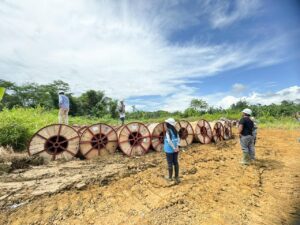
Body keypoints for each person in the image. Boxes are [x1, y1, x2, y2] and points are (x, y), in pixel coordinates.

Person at [164, 118, 180, 183]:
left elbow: (169, 141)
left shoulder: (168, 131)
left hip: (169, 150)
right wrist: (177, 147)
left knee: (170, 163)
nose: (165, 124)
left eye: (166, 123)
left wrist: (173, 148)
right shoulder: (175, 131)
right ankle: (176, 177)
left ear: (168, 124)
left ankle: (170, 178)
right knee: (175, 162)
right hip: (176, 150)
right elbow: (178, 139)